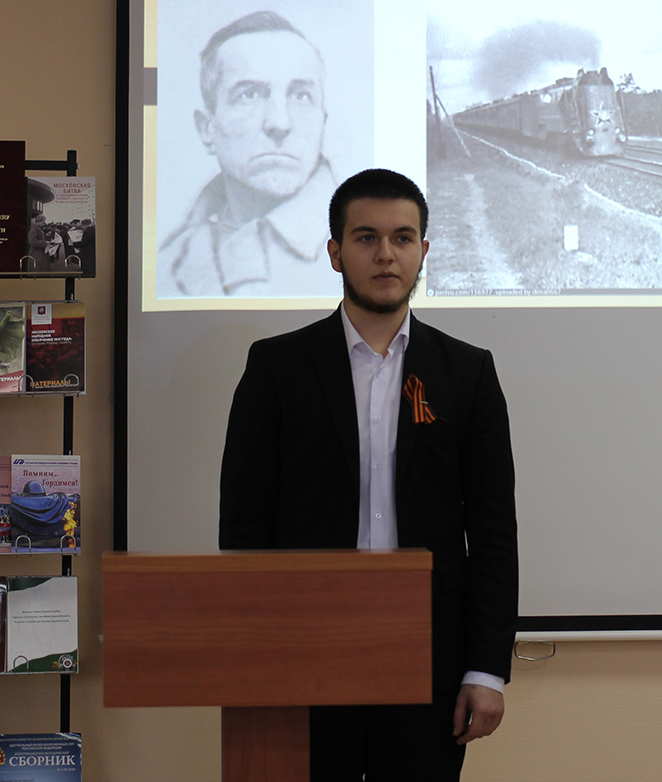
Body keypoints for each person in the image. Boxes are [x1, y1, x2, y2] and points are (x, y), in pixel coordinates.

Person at [219, 169, 518, 780]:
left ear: (423, 252)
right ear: (335, 252)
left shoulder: (468, 373)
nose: (386, 254)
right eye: (366, 237)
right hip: (303, 646)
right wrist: (252, 656)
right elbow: (244, 526)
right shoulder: (277, 367)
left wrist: (486, 669)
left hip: (429, 653)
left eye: (402, 238)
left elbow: (493, 533)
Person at [157, 11, 340, 298]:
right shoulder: (166, 265)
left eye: (301, 96)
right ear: (207, 129)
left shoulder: (362, 250)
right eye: (249, 94)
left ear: (322, 122)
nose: (280, 123)